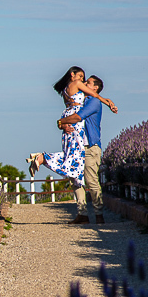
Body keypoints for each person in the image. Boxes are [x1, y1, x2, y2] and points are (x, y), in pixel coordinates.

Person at [25, 67, 114, 195]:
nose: (82, 80)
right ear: (72, 74)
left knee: (70, 155)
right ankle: (43, 158)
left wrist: (62, 123)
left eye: (84, 79)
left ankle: (43, 158)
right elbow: (94, 94)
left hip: (67, 116)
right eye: (81, 76)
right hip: (75, 120)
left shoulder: (65, 91)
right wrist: (107, 101)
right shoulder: (76, 84)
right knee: (74, 160)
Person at [58, 75, 116, 224]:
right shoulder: (83, 100)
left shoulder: (93, 102)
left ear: (95, 87)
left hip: (90, 147)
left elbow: (78, 117)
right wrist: (63, 124)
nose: (83, 84)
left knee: (91, 181)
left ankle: (98, 214)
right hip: (78, 146)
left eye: (87, 83)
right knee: (76, 179)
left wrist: (60, 121)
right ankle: (82, 214)